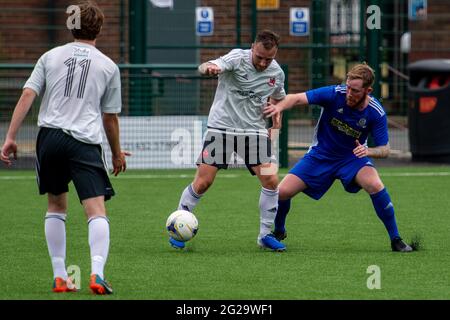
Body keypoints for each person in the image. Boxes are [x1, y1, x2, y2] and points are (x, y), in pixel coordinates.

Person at [0, 1, 129, 294]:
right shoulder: (108, 66)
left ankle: (61, 276)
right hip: (83, 141)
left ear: (71, 25)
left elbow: (27, 95)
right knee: (96, 211)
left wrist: (9, 137)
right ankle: (96, 273)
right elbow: (110, 118)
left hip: (49, 138)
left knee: (56, 206)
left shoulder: (50, 56)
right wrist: (117, 153)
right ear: (100, 27)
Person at [263, 63, 413, 252]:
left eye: (355, 90)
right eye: (348, 87)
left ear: (368, 90)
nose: (349, 93)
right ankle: (279, 230)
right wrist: (279, 108)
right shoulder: (335, 93)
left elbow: (385, 149)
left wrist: (369, 152)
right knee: (282, 192)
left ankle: (396, 239)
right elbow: (296, 98)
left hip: (352, 158)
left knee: (375, 185)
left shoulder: (376, 112)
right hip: (320, 155)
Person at [173, 30, 287, 251]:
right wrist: (209, 68)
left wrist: (276, 113)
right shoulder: (237, 57)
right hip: (221, 128)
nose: (263, 63)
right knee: (203, 182)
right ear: (253, 47)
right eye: (259, 57)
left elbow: (278, 96)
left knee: (271, 180)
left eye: (269, 59)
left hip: (254, 131)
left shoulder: (277, 72)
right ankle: (178, 227)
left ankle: (265, 235)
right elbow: (205, 65)